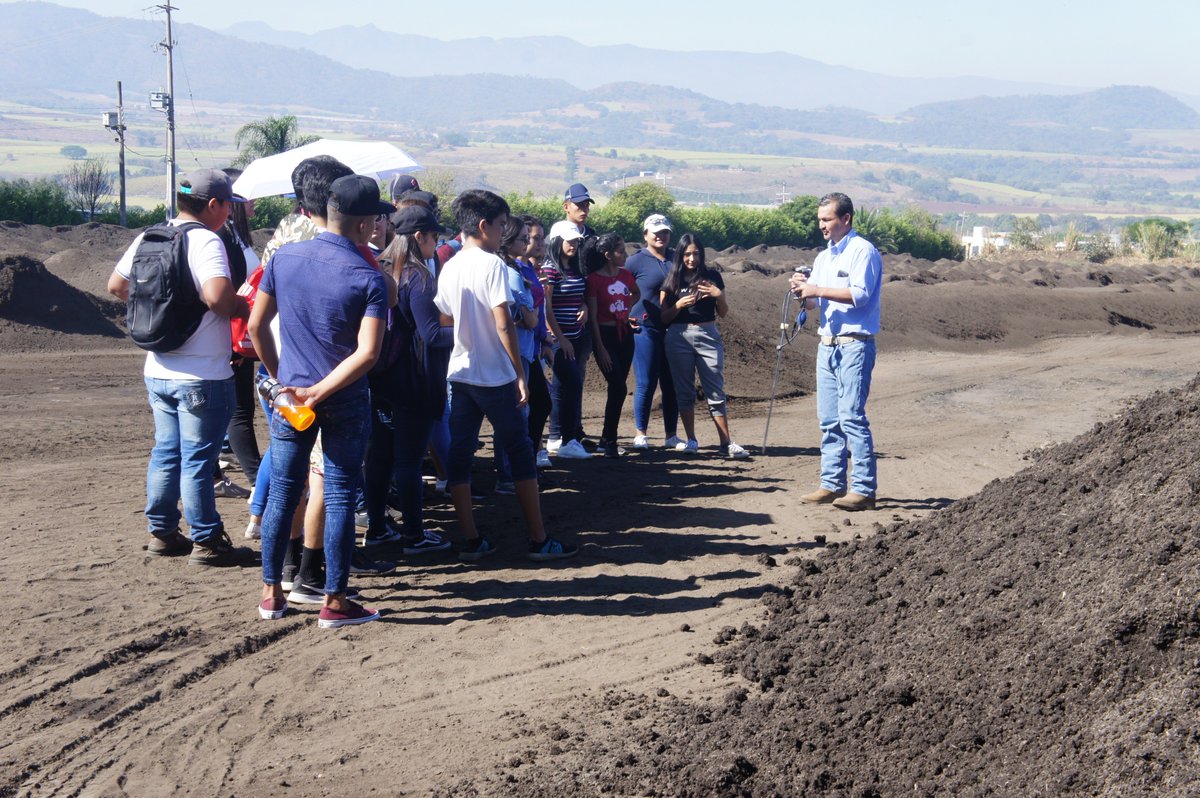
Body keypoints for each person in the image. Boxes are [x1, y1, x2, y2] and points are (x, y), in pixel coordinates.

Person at [248, 173, 392, 627]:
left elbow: (255, 327)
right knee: (340, 493)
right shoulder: (369, 277)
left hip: (291, 397)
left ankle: (272, 594)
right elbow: (368, 353)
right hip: (344, 399)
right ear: (367, 223)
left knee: (284, 492)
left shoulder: (286, 258)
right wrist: (322, 390)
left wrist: (284, 381)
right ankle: (334, 600)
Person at [106, 167, 255, 567]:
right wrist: (246, 305)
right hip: (202, 373)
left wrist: (162, 314)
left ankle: (163, 532)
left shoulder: (149, 235)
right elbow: (219, 299)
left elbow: (117, 286)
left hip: (158, 368)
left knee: (167, 452)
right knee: (198, 459)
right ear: (213, 205)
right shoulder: (206, 240)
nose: (229, 213)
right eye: (228, 205)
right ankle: (207, 539)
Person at [433, 189, 577, 562]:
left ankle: (470, 539)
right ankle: (538, 539)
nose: (502, 233)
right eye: (500, 226)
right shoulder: (493, 265)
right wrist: (518, 372)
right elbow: (504, 322)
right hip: (495, 374)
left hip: (461, 373)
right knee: (520, 452)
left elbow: (445, 317)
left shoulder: (449, 266)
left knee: (461, 455)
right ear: (483, 226)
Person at [361, 205, 454, 553]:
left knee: (380, 457)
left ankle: (376, 528)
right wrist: (470, 332)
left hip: (380, 379)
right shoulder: (417, 277)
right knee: (409, 461)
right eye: (434, 237)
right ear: (420, 237)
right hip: (414, 382)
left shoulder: (380, 267)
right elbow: (431, 335)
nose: (436, 243)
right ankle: (414, 534)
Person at [790, 192, 882, 511]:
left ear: (846, 219)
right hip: (827, 344)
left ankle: (864, 489)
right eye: (820, 220)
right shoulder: (824, 257)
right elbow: (816, 301)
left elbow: (860, 295)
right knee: (828, 419)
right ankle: (831, 484)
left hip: (855, 344)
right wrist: (804, 291)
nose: (822, 226)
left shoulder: (863, 252)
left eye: (827, 219)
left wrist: (817, 289)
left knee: (851, 416)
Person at [659, 233, 749, 459]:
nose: (691, 259)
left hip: (708, 333)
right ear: (680, 255)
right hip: (678, 336)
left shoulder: (712, 277)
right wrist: (678, 305)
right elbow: (664, 318)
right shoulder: (672, 279)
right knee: (684, 391)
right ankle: (691, 440)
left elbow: (724, 313)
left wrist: (719, 296)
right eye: (687, 254)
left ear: (702, 254)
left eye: (696, 254)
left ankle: (726, 442)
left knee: (715, 389)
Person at [625, 213, 682, 450]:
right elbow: (620, 289)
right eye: (656, 232)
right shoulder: (636, 261)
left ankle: (671, 435)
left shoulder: (676, 259)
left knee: (671, 383)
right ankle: (641, 434)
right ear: (646, 234)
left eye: (665, 232)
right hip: (644, 327)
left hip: (673, 328)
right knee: (647, 382)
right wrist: (623, 315)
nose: (661, 236)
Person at [584, 233, 639, 458]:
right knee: (619, 387)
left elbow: (636, 293)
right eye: (620, 251)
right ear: (607, 255)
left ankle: (608, 440)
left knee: (617, 389)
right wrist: (600, 347)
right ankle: (609, 439)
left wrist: (624, 311)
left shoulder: (626, 276)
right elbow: (594, 318)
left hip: (625, 334)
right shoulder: (594, 280)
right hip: (604, 336)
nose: (625, 255)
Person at [540, 229, 590, 460]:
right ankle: (568, 440)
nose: (574, 245)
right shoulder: (550, 269)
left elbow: (579, 296)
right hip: (560, 339)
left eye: (576, 241)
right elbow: (546, 308)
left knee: (561, 387)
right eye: (570, 241)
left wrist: (584, 307)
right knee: (573, 383)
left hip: (575, 335)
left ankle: (555, 437)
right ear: (558, 241)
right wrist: (560, 338)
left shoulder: (575, 267)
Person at [516, 214, 554, 470]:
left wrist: (545, 340)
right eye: (535, 238)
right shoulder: (515, 270)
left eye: (542, 238)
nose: (540, 243)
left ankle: (529, 455)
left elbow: (538, 311)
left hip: (534, 345)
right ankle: (524, 460)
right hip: (521, 347)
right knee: (534, 403)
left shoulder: (529, 268)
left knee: (539, 402)